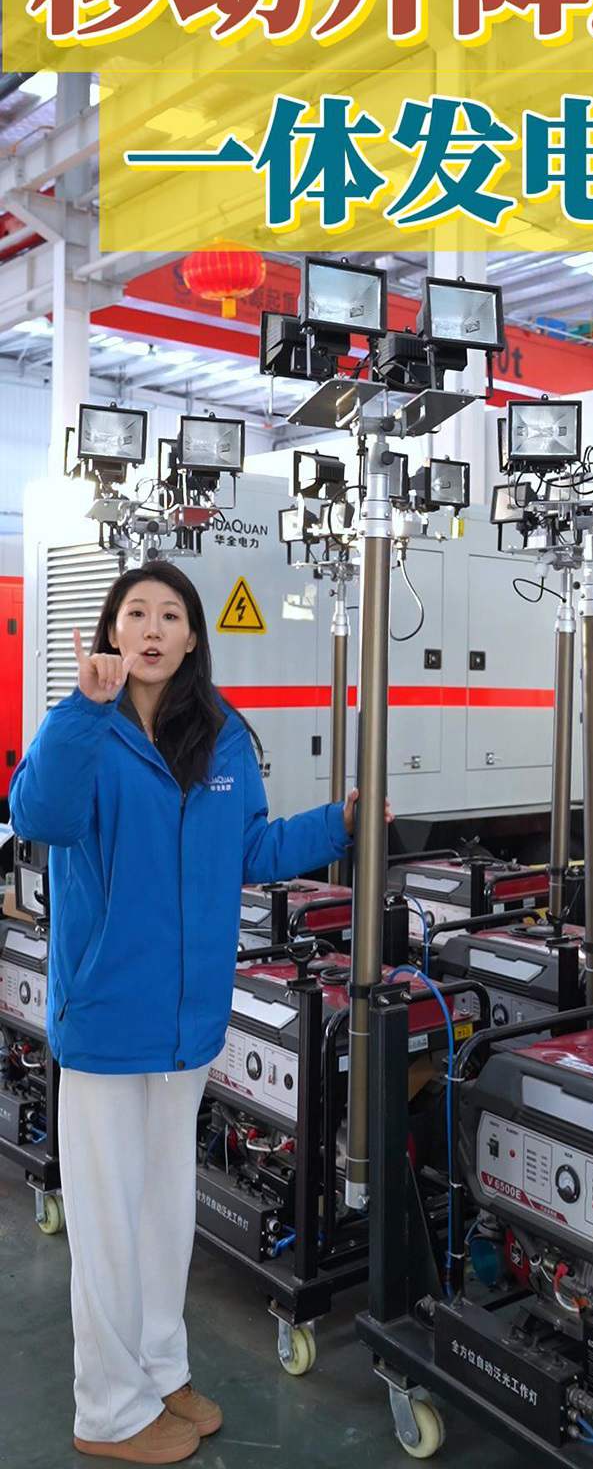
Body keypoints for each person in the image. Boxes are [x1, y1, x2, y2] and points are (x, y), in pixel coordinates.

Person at [10, 559, 378, 1465]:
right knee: (108, 1222)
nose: (152, 628)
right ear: (111, 630)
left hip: (187, 1022)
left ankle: (159, 1369)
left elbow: (250, 850)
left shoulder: (220, 734)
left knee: (165, 1212)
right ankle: (108, 1410)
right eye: (135, 612)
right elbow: (39, 816)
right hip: (107, 1017)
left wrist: (338, 823)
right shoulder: (84, 728)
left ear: (191, 638)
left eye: (170, 615)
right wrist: (82, 707)